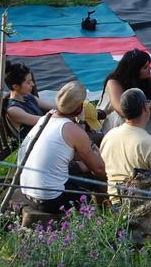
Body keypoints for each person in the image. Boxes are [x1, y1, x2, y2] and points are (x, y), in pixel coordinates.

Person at [19, 81, 106, 213]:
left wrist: (81, 121)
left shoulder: (46, 118)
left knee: (82, 167)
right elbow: (99, 169)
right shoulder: (71, 130)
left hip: (27, 192)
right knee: (96, 177)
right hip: (50, 200)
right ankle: (107, 213)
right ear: (79, 107)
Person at [99, 49, 151, 161]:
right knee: (122, 119)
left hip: (140, 113)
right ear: (134, 70)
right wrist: (148, 106)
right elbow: (123, 112)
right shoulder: (114, 82)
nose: (150, 69)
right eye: (145, 67)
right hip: (119, 117)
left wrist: (146, 110)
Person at [1, 61, 54, 140]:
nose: (33, 84)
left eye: (31, 81)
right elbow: (42, 122)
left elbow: (53, 107)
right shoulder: (13, 110)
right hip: (36, 144)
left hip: (46, 135)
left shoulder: (28, 97)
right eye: (28, 82)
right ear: (15, 86)